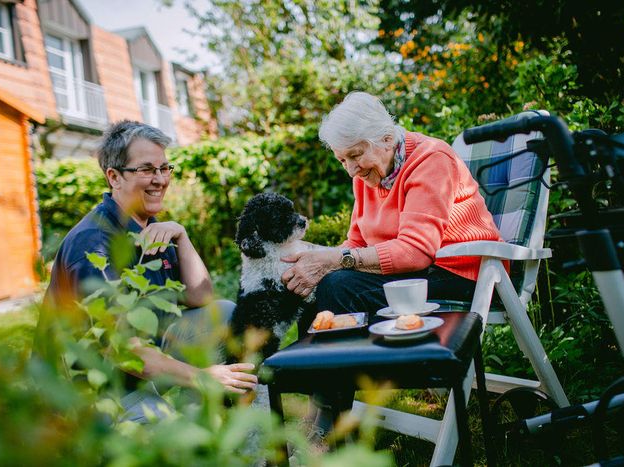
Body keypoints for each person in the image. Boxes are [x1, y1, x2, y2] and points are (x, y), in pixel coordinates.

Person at [280, 91, 504, 442]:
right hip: (417, 274)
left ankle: (328, 429)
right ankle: (321, 412)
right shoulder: (367, 175)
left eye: (355, 155)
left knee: (338, 287)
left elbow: (416, 252)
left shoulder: (431, 159)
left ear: (387, 138)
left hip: (461, 273)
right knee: (314, 287)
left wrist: (331, 264)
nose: (352, 169)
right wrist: (316, 263)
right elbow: (355, 244)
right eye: (342, 160)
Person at [39, 120, 257, 422]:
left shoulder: (152, 227)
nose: (160, 180)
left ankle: (200, 415)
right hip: (93, 386)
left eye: (164, 168)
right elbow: (121, 349)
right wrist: (200, 376)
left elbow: (202, 297)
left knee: (222, 313)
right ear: (114, 177)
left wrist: (181, 235)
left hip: (141, 366)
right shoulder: (93, 246)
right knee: (167, 435)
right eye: (146, 170)